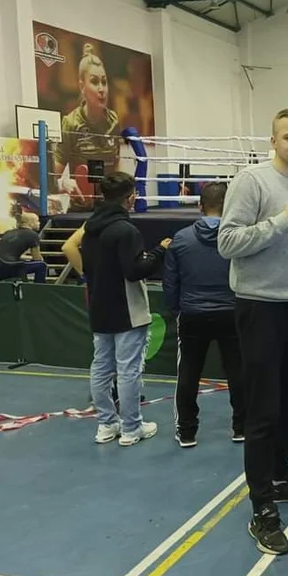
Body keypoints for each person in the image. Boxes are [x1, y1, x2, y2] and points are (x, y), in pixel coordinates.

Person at [217, 108, 288, 556]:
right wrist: (281, 221)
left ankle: (280, 477)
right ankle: (261, 507)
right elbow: (226, 243)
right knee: (262, 412)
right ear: (274, 141)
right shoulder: (252, 181)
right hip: (260, 307)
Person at [80, 172, 169, 447]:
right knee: (128, 370)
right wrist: (160, 251)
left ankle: (107, 424)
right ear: (130, 198)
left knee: (101, 367)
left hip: (99, 306)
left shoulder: (90, 229)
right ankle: (131, 427)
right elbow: (135, 270)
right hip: (128, 309)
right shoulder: (126, 230)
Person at [163, 181, 245, 447]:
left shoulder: (180, 239)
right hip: (231, 311)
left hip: (192, 312)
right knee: (238, 371)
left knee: (188, 372)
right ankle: (242, 427)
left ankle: (187, 431)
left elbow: (170, 282)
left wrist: (177, 309)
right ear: (229, 206)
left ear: (200, 206)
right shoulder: (238, 237)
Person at [53, 44, 122, 211]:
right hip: (81, 210)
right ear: (82, 87)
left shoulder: (113, 121)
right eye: (94, 82)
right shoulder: (70, 123)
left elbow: (116, 167)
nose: (101, 89)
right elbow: (51, 178)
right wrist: (64, 183)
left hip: (109, 208)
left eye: (104, 82)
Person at [0, 211, 47, 283]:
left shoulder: (9, 232)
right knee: (41, 265)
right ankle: (39, 288)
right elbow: (37, 258)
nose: (39, 223)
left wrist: (27, 258)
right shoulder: (32, 235)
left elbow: (7, 253)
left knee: (24, 263)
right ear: (31, 223)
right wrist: (41, 258)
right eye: (37, 221)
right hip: (9, 268)